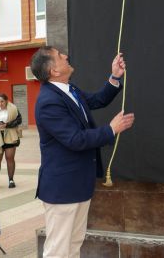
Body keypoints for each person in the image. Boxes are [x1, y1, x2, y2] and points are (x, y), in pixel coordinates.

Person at [31, 46, 135, 258]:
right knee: (58, 249)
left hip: (77, 184)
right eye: (60, 56)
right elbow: (75, 140)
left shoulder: (69, 89)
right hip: (62, 188)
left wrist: (114, 77)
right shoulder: (48, 102)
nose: (66, 56)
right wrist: (111, 129)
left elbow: (97, 100)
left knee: (74, 242)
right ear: (54, 71)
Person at [0, 93, 22, 188]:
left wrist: (7, 125)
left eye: (2, 101)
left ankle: (11, 180)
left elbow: (19, 120)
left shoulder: (13, 109)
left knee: (9, 158)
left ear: (6, 101)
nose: (0, 103)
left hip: (10, 136)